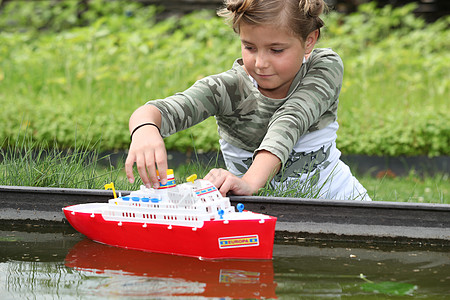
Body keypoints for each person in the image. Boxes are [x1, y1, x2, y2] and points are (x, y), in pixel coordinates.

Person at [125, 0, 371, 201]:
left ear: (309, 41)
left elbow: (291, 119)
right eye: (250, 47)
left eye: (276, 50)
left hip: (342, 205)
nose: (261, 63)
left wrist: (249, 182)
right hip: (256, 218)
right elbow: (159, 111)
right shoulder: (227, 89)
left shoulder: (324, 67)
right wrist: (145, 128)